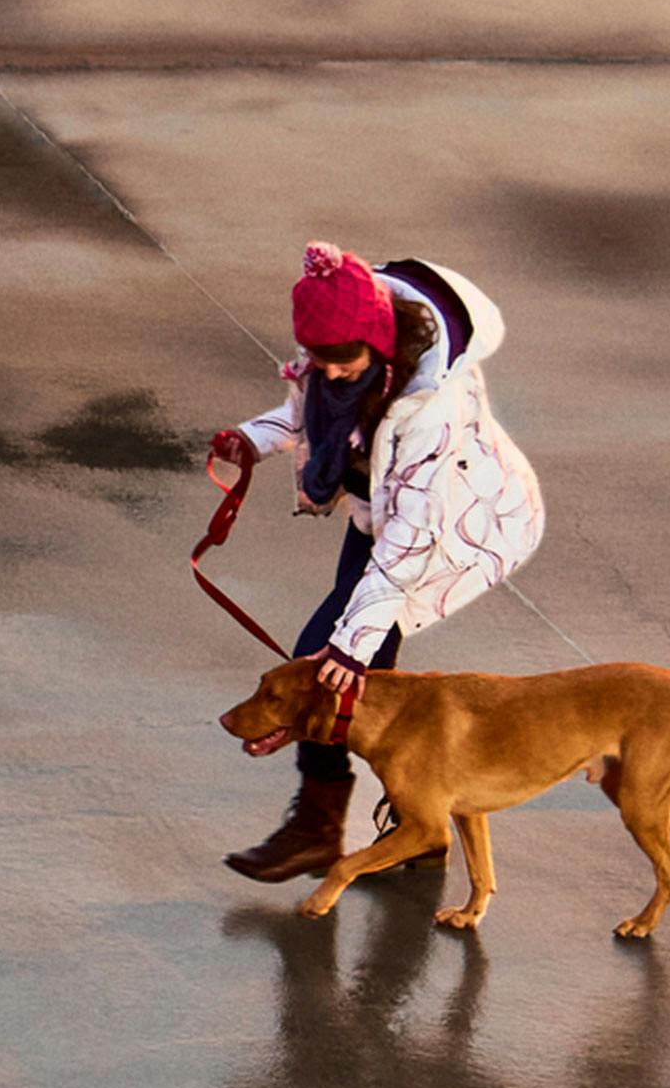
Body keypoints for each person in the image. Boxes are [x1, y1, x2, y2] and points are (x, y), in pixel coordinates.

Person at [213, 244, 544, 881]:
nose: (333, 374)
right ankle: (421, 825)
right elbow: (305, 414)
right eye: (321, 361)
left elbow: (408, 548)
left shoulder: (432, 407)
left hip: (450, 529)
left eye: (345, 360)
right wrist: (251, 440)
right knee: (366, 682)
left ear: (380, 340)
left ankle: (320, 830)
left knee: (325, 667)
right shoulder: (335, 363)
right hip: (381, 515)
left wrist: (349, 646)